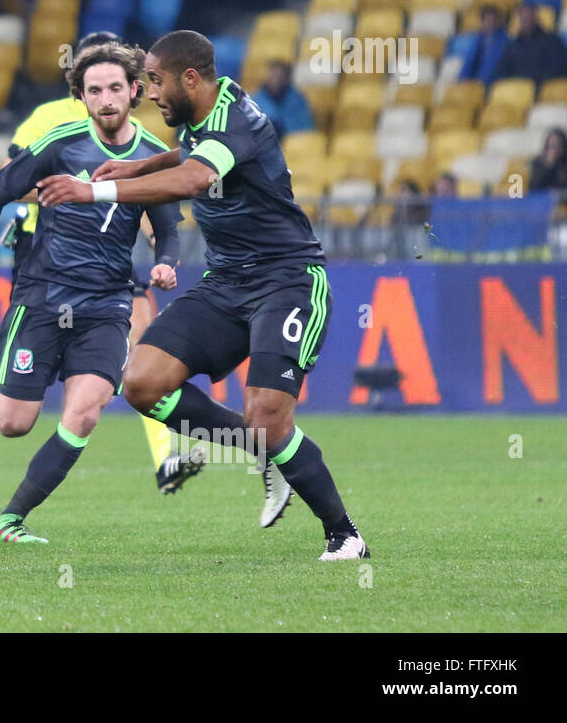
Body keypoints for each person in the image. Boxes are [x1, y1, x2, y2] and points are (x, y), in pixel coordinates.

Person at [36, 30, 368, 561]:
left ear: (190, 78)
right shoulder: (202, 112)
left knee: (266, 418)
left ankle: (344, 534)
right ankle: (263, 455)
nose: (150, 92)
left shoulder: (235, 119)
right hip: (226, 282)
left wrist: (95, 188)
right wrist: (137, 166)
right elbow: (186, 156)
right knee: (141, 382)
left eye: (156, 81)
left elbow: (195, 178)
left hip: (287, 280)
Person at [0, 32, 206, 497]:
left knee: (125, 365)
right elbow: (4, 188)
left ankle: (162, 462)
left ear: (133, 88)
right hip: (44, 269)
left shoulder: (152, 154)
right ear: (80, 92)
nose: (105, 97)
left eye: (115, 87)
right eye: (94, 89)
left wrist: (165, 261)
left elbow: (166, 222)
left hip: (110, 288)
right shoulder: (54, 132)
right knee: (14, 421)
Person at [251, 60, 314, 139]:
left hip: (292, 146)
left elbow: (305, 129)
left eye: (279, 77)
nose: (275, 80)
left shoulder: (297, 100)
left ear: (287, 78)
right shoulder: (256, 99)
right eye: (272, 76)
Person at [529, 128, 567, 192]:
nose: (554, 150)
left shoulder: (564, 163)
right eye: (551, 146)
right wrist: (548, 165)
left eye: (557, 145)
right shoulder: (537, 163)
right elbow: (533, 187)